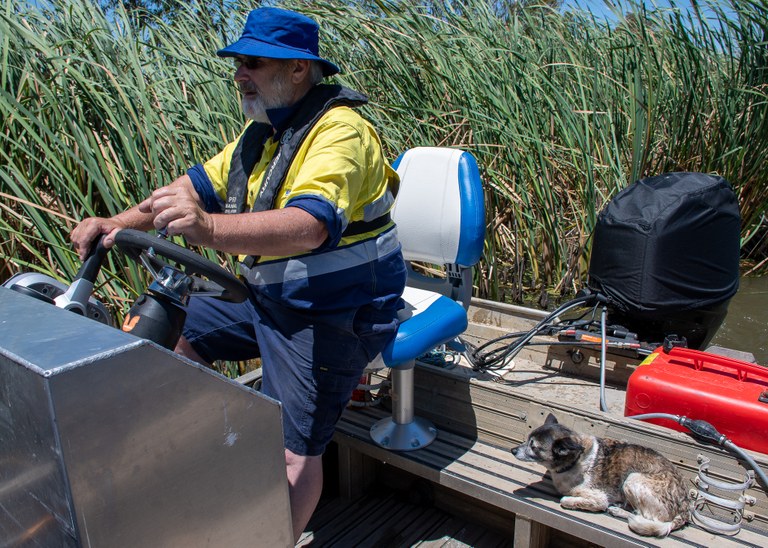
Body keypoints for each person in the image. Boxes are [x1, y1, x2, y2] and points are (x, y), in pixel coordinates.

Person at [70, 7, 406, 542]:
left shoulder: (342, 131)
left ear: (299, 69)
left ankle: (276, 531)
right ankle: (216, 458)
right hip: (267, 298)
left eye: (252, 61)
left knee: (293, 451)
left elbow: (309, 227)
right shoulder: (262, 135)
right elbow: (183, 191)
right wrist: (115, 223)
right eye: (236, 63)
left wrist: (207, 229)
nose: (239, 73)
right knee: (169, 338)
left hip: (333, 312)